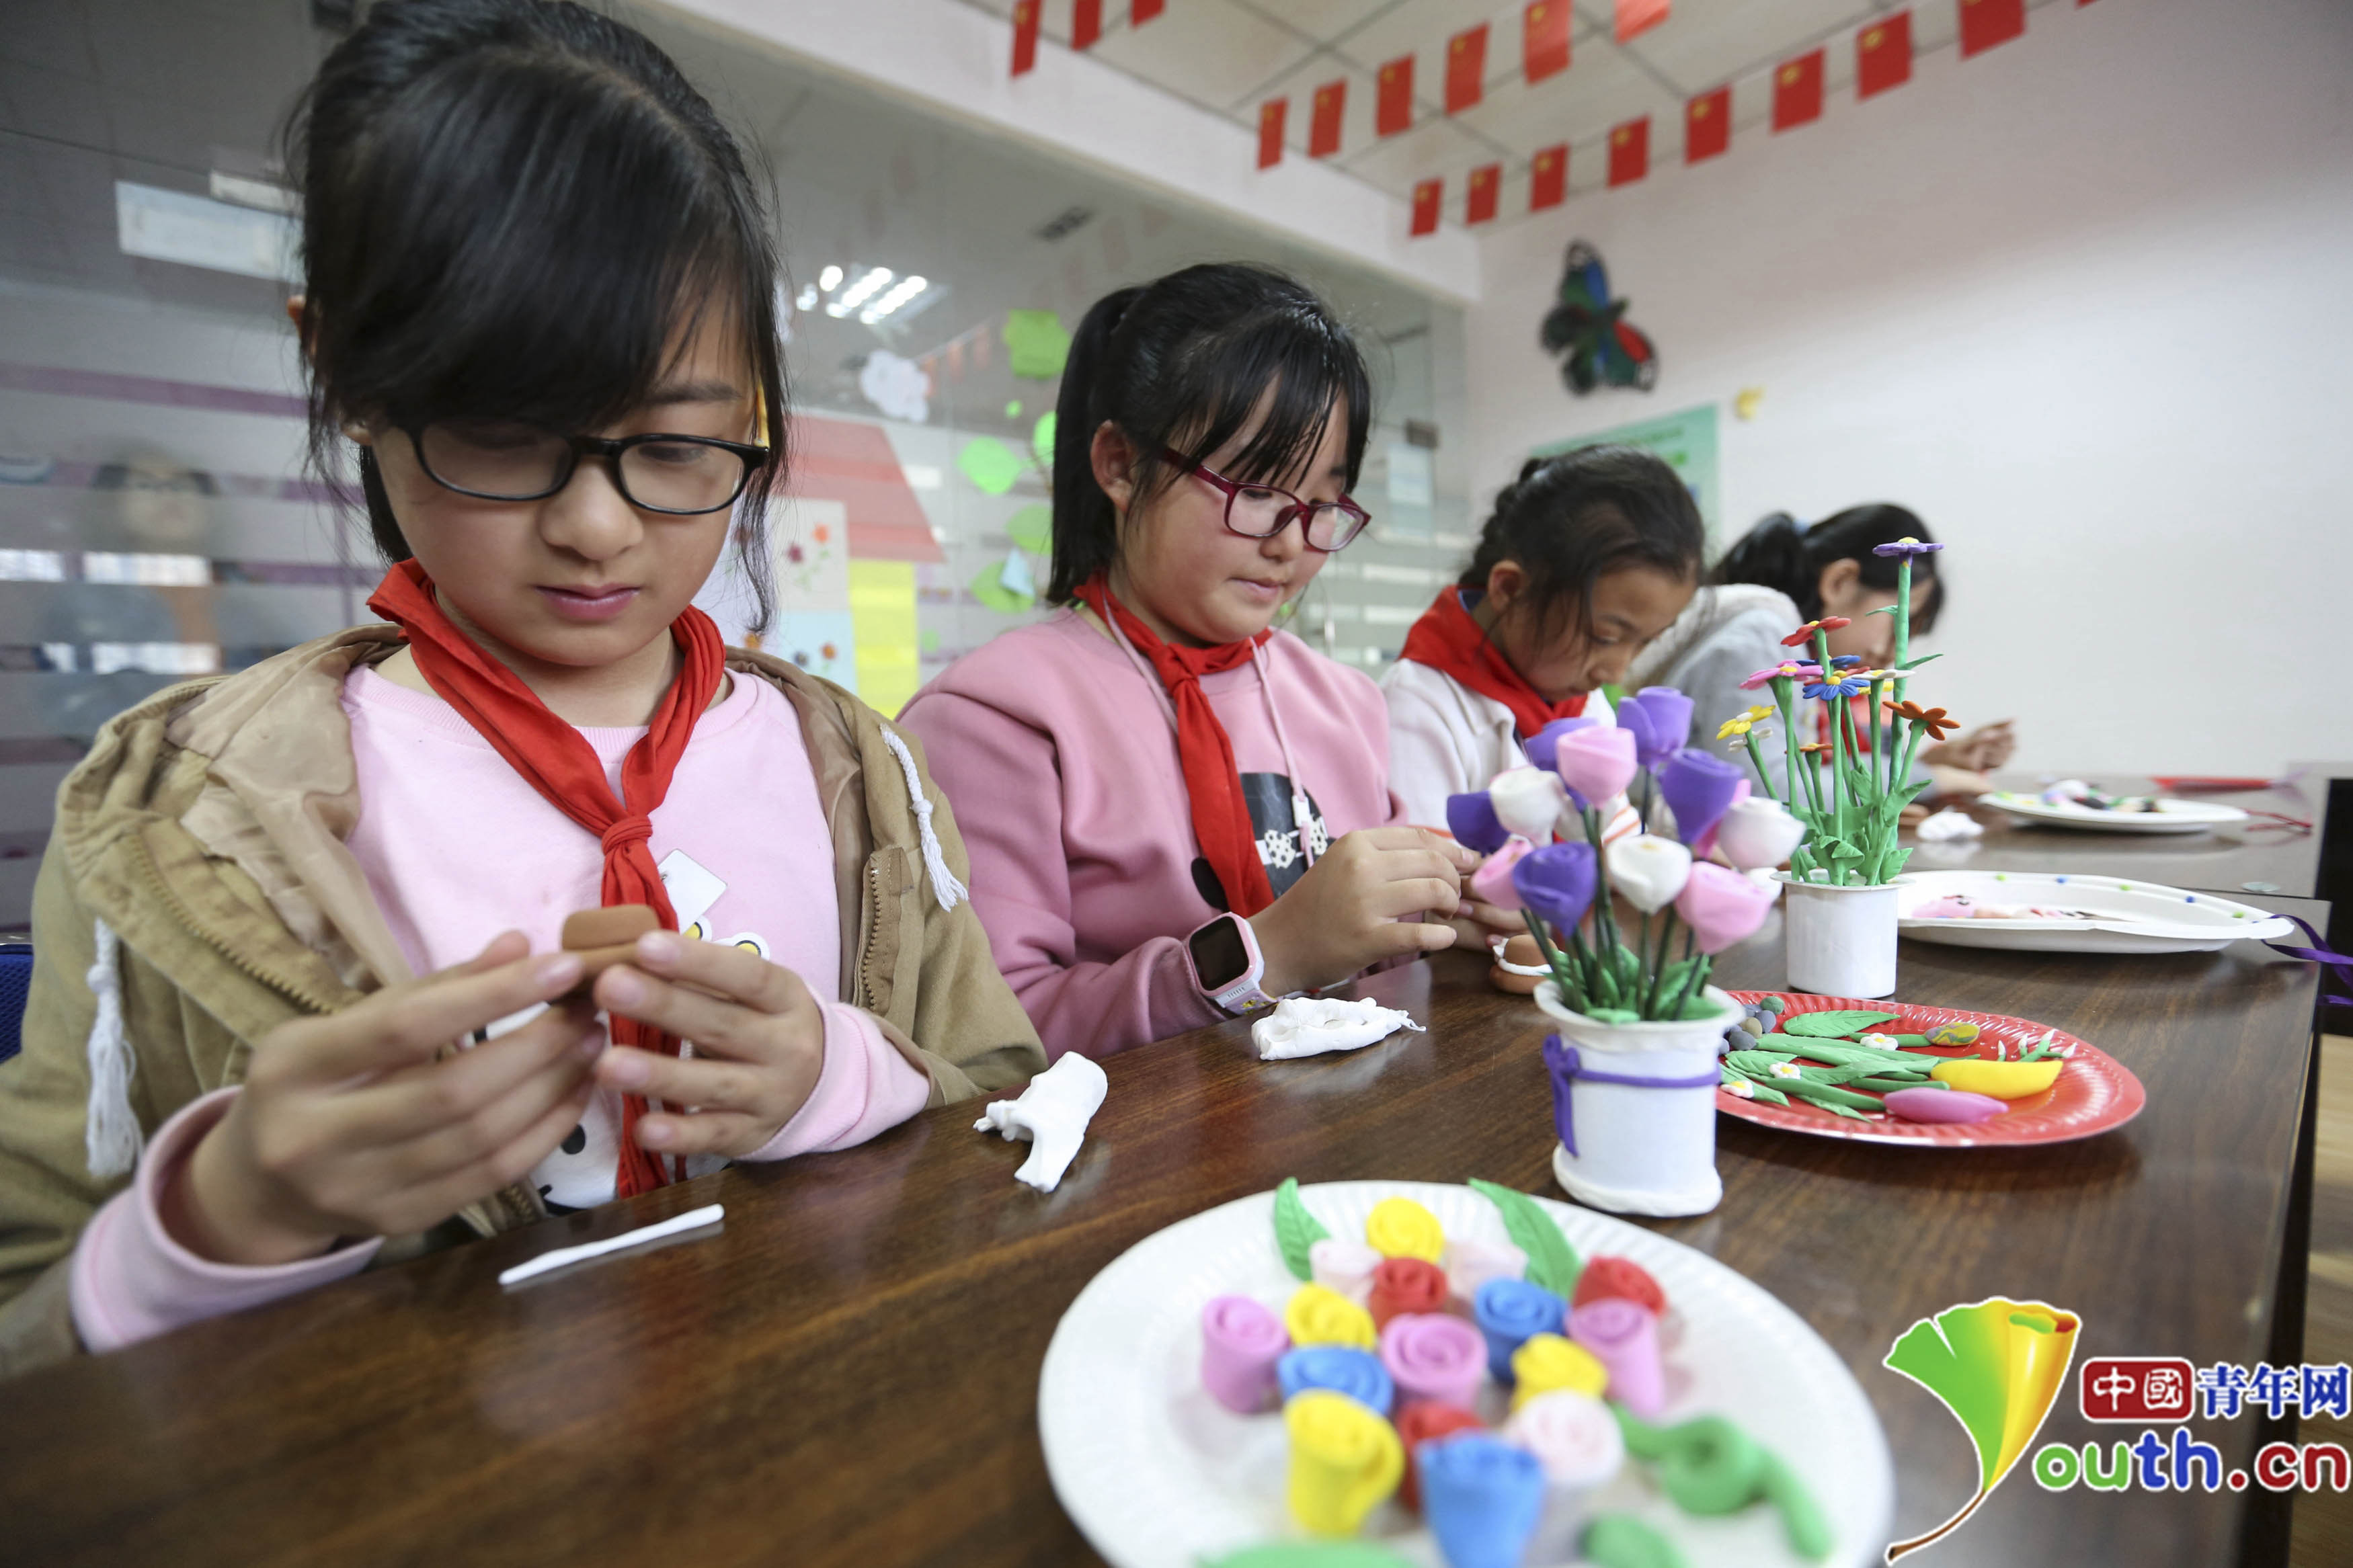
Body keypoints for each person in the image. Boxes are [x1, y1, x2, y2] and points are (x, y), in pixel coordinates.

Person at [0, 0, 1041, 1377]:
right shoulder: (176, 814)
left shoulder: (859, 766)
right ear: (342, 373)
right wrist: (226, 1209)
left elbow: (1018, 1101)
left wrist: (841, 1074)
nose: (599, 527)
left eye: (676, 444)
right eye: (498, 429)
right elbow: (31, 1313)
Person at [899, 264, 1480, 1061]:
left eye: (1319, 505)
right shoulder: (994, 717)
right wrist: (1266, 955)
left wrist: (1450, 920)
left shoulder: (1340, 700)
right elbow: (991, 1037)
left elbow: (1372, 962)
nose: (1287, 541)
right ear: (1119, 465)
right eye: (1252, 487)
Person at [1382, 445, 1706, 827]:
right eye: (1604, 636)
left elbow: (1611, 832)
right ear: (1510, 590)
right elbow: (1425, 878)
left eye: (1647, 641)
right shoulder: (1416, 707)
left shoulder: (1581, 700)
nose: (1617, 672)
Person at [1629, 505, 2014, 796]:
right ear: (1840, 581)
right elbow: (1770, 792)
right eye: (1899, 622)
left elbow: (1800, 770)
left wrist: (1921, 764)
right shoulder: (1759, 637)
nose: (1894, 654)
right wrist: (1932, 780)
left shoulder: (1779, 639)